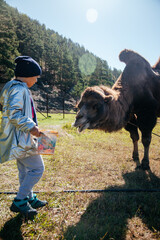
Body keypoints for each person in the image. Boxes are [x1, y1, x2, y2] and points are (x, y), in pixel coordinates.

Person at [0, 56, 47, 218]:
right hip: (22, 139)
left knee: (25, 170)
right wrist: (32, 127)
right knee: (37, 169)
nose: (36, 80)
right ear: (28, 75)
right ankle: (19, 201)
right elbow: (14, 114)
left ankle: (29, 198)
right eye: (35, 77)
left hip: (19, 138)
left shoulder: (13, 87)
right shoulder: (19, 89)